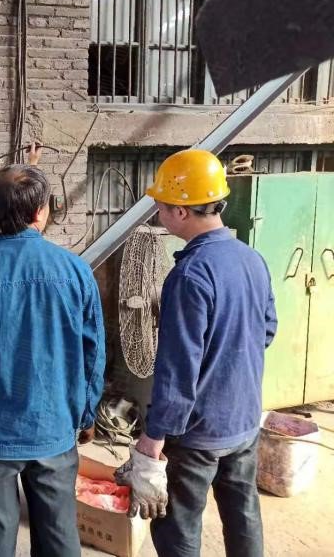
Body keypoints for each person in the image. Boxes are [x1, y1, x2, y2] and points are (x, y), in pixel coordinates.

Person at [0, 164, 106, 557]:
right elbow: (93, 352)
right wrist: (86, 414)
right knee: (59, 535)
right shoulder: (75, 270)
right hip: (53, 426)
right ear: (40, 212)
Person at [115, 149, 277, 557]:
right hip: (243, 421)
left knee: (178, 527)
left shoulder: (189, 275)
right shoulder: (252, 259)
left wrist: (152, 440)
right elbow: (266, 330)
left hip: (197, 433)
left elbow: (178, 370)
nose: (158, 213)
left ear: (181, 212)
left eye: (161, 206)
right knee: (243, 515)